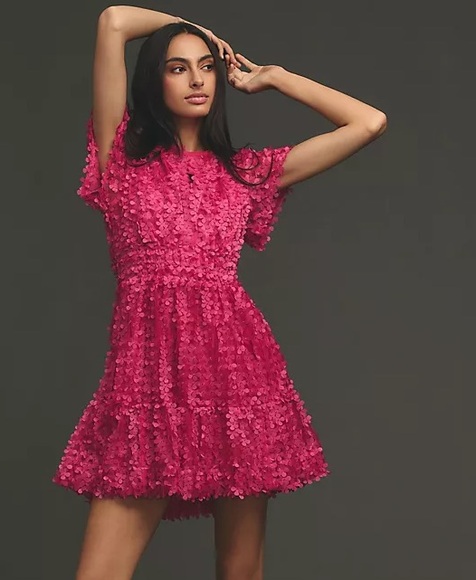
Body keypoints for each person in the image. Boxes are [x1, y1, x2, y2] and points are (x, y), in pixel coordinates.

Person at [52, 5, 387, 580]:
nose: (198, 78)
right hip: (147, 388)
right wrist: (203, 31)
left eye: (206, 66)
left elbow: (369, 122)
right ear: (153, 81)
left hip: (238, 382)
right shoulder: (120, 162)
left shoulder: (246, 173)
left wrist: (275, 78)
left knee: (240, 571)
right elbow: (114, 21)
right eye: (178, 67)